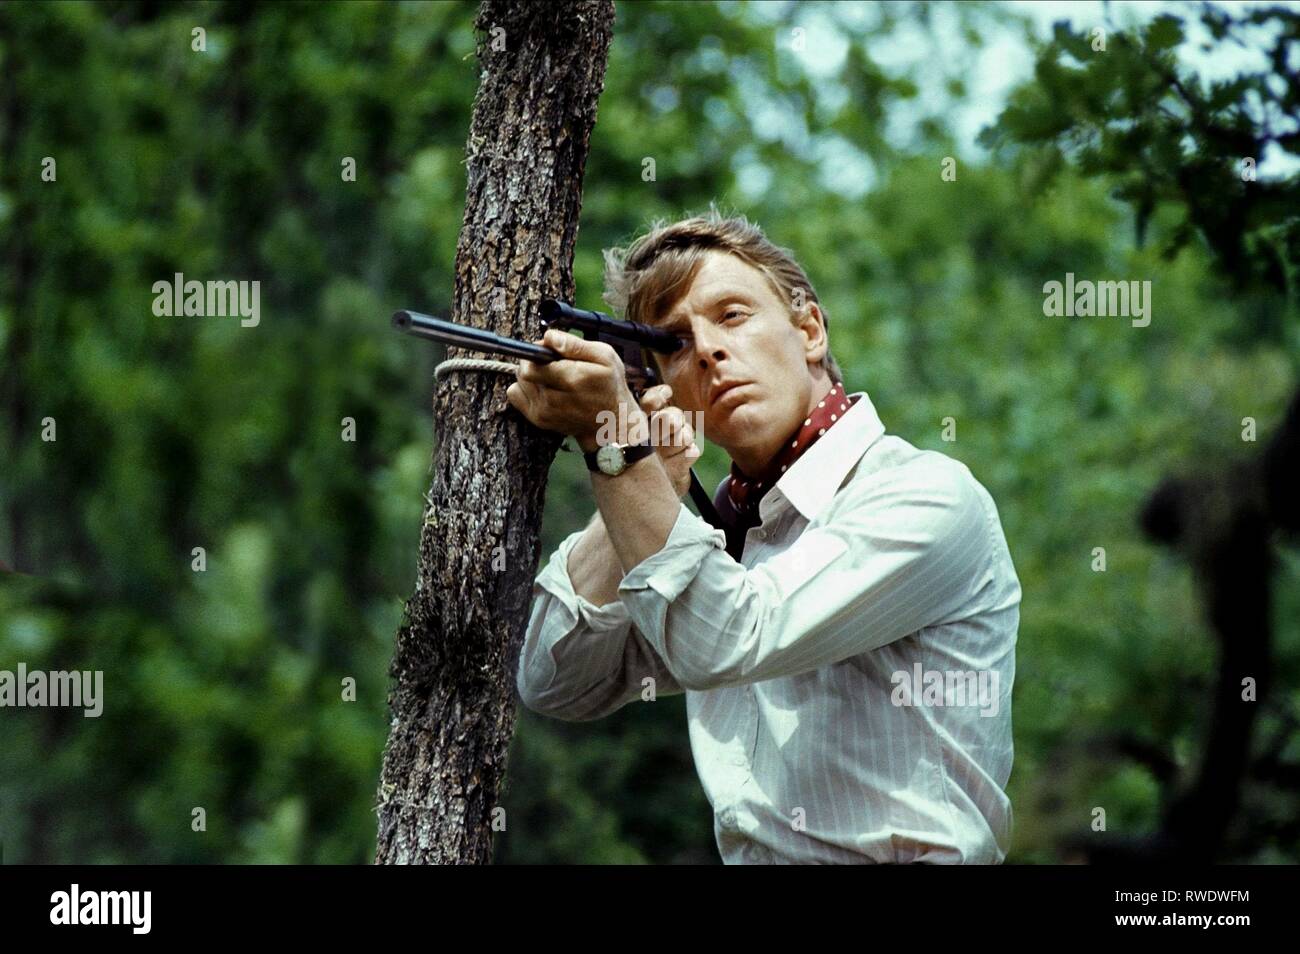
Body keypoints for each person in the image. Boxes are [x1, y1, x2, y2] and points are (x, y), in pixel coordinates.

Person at [507, 208, 1020, 864]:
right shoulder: (721, 534)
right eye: (675, 344)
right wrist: (646, 471)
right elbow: (557, 679)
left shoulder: (924, 495)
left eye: (732, 315)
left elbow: (727, 638)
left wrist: (612, 442)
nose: (710, 350)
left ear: (808, 329)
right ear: (664, 385)